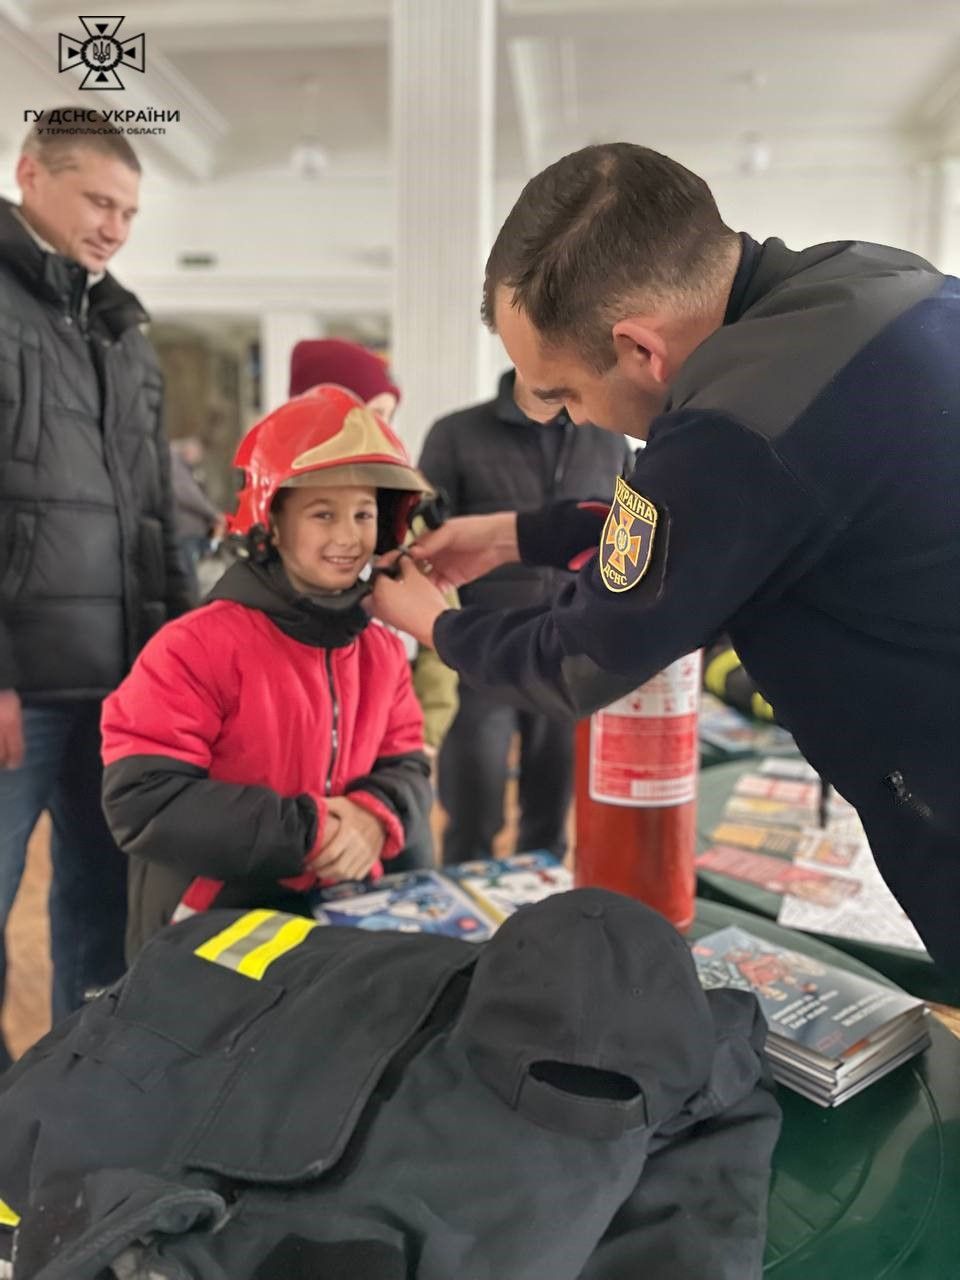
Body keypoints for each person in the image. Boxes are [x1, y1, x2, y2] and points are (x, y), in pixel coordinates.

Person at [369, 142, 960, 974]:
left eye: (565, 392)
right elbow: (735, 521)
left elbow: (580, 658)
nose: (567, 422)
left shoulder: (733, 428)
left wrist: (438, 626)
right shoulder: (875, 282)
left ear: (642, 349)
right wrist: (514, 535)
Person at [99, 385, 434, 958]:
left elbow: (406, 762)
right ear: (272, 523)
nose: (348, 537)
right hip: (209, 927)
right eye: (322, 513)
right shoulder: (196, 646)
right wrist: (307, 832)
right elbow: (142, 799)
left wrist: (374, 818)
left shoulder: (380, 650)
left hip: (334, 919)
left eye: (363, 513)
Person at [0, 109, 192, 1064]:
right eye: (98, 200)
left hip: (120, 687)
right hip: (17, 689)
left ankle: (69, 1093)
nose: (116, 226)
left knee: (103, 902)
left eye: (129, 210)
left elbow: (155, 508)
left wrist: (182, 662)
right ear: (32, 175)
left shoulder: (122, 328)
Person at [419, 368, 631, 863]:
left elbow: (625, 544)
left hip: (568, 656)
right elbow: (424, 540)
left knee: (551, 815)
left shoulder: (607, 436)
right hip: (478, 656)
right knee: (472, 812)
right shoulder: (455, 434)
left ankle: (544, 927)